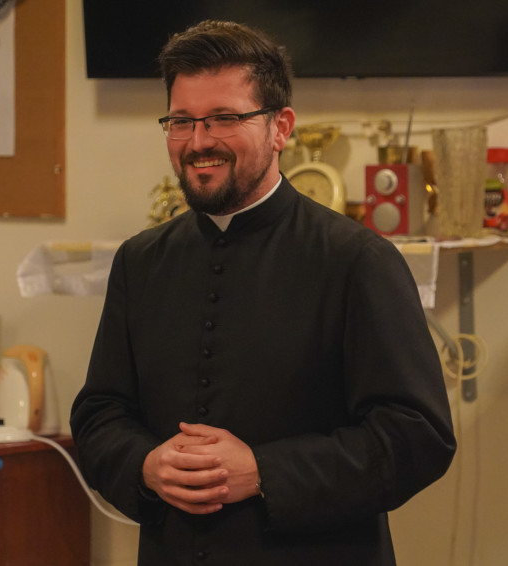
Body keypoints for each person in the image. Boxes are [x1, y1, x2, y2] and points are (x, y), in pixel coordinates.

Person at [70, 20, 456, 566]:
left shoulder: (356, 260)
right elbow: (99, 414)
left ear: (281, 127)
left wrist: (264, 472)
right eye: (181, 121)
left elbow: (418, 436)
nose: (198, 142)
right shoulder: (141, 261)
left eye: (224, 118)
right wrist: (147, 465)